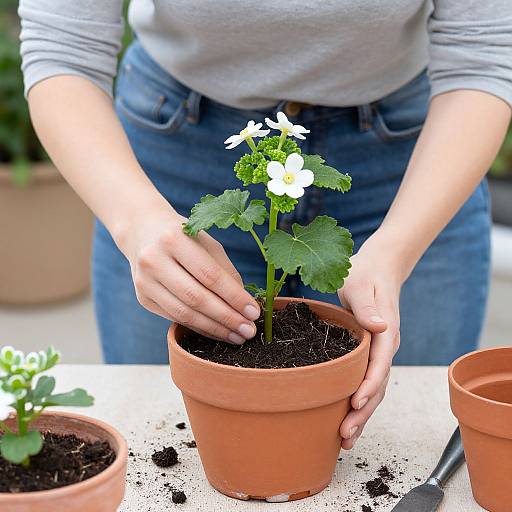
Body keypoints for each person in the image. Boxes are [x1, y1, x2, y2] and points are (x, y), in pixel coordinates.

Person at [18, 1, 512, 450]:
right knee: (164, 440)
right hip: (172, 155)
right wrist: (136, 218)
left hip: (414, 161)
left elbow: (482, 57)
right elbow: (64, 47)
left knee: (405, 442)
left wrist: (396, 248)